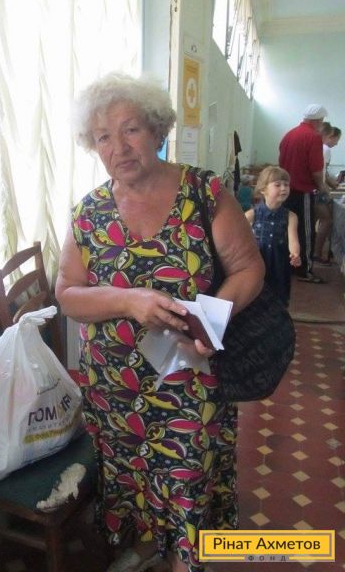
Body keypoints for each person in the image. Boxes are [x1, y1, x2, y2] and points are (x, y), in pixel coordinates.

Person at [55, 72, 265, 572]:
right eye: (103, 137)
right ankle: (148, 543)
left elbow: (248, 269)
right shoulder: (88, 213)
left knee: (187, 471)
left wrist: (209, 323)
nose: (119, 147)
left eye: (130, 129)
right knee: (130, 474)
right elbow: (67, 294)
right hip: (114, 385)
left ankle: (185, 558)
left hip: (189, 376)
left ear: (156, 130)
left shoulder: (204, 192)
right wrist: (129, 301)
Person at [279, 103, 329, 283]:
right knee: (305, 231)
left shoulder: (289, 134)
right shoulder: (313, 137)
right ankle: (304, 270)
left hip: (284, 190)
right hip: (302, 190)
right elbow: (316, 169)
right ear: (319, 120)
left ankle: (286, 265)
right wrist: (322, 186)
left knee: (286, 229)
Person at [245, 166, 301, 306]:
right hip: (258, 261)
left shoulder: (291, 216)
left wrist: (295, 254)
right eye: (277, 185)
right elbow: (239, 237)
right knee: (255, 294)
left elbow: (293, 240)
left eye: (286, 185)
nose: (283, 188)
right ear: (263, 190)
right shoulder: (251, 214)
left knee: (278, 296)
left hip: (279, 263)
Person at [313, 124, 341, 264]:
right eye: (337, 139)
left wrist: (331, 184)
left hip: (315, 189)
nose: (336, 143)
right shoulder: (325, 149)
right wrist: (326, 188)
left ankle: (315, 250)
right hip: (318, 190)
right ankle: (317, 253)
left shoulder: (320, 148)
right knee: (327, 220)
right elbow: (320, 173)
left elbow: (323, 171)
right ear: (330, 136)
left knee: (317, 220)